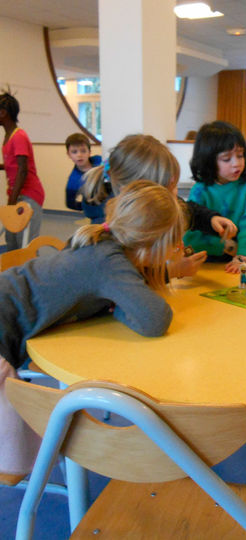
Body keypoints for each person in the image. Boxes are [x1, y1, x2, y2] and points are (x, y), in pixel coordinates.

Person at [0, 180, 183, 476]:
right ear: (157, 243)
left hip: (8, 306)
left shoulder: (103, 243)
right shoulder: (109, 262)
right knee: (21, 463)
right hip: (3, 327)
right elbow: (155, 319)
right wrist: (119, 307)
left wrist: (117, 303)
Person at [82, 133, 237, 278]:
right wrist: (172, 271)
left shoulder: (153, 209)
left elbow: (188, 211)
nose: (175, 194)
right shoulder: (113, 234)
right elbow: (129, 284)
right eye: (169, 188)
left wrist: (211, 220)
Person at [184, 121, 246, 273]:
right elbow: (192, 231)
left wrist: (242, 256)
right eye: (227, 159)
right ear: (208, 161)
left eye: (240, 156)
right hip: (201, 258)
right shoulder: (200, 189)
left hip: (235, 258)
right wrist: (225, 246)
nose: (236, 164)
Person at [0, 88, 45, 250]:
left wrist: (12, 200)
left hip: (29, 196)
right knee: (11, 240)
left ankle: (29, 274)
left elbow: (22, 170)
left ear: (3, 113)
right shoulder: (8, 137)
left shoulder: (19, 136)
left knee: (25, 245)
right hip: (17, 194)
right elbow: (14, 165)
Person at [64, 132, 105, 223]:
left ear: (89, 152)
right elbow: (70, 203)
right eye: (74, 152)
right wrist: (87, 207)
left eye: (83, 151)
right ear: (69, 154)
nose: (79, 155)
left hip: (113, 207)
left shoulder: (99, 161)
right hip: (97, 216)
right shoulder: (73, 181)